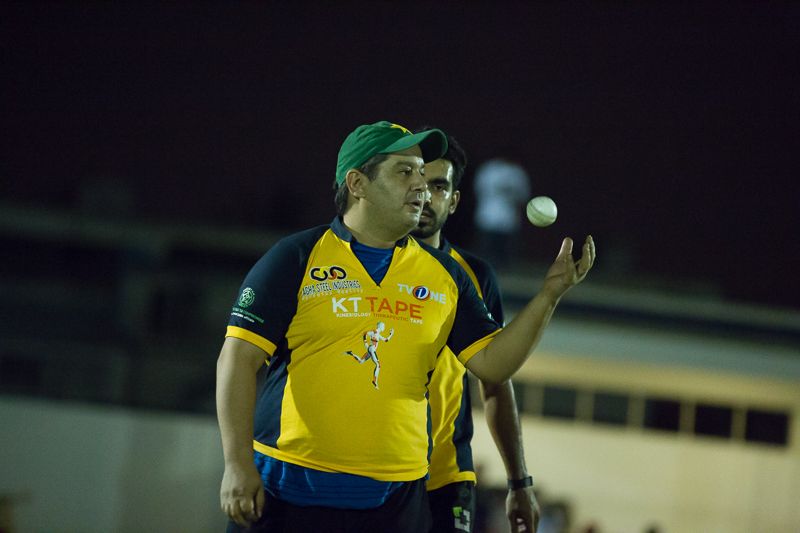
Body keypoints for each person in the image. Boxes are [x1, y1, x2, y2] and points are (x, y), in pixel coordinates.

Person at [216, 120, 595, 533]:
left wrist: (548, 296)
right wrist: (236, 463)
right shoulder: (296, 256)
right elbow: (238, 359)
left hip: (395, 502)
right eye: (405, 171)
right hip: (286, 490)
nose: (421, 186)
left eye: (424, 174)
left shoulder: (447, 275)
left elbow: (493, 365)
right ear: (358, 183)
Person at [412, 129, 539, 533]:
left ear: (454, 200)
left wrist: (519, 482)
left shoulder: (475, 276)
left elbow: (495, 382)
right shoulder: (356, 265)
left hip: (445, 476)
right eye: (416, 181)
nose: (425, 196)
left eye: (438, 186)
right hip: (368, 474)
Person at [472, 157, 531, 270]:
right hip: (488, 217)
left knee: (505, 259)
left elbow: (523, 196)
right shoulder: (489, 169)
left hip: (508, 220)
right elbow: (478, 190)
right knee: (485, 254)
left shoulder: (517, 172)